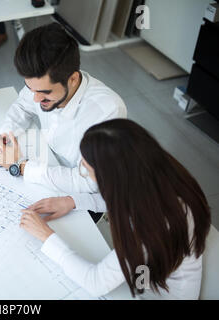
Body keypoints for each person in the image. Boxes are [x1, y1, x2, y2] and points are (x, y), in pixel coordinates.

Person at [20, 119, 211, 299]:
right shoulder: (155, 173)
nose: (84, 173)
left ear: (112, 176)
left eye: (87, 169)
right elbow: (125, 199)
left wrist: (47, 237)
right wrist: (73, 201)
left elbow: (95, 283)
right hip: (144, 275)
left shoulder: (153, 224)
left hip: (153, 292)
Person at [0, 23, 127, 213]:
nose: (35, 98)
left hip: (79, 197)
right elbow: (22, 106)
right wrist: (3, 139)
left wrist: (21, 166)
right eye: (30, 88)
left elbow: (88, 182)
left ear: (73, 79)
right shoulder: (39, 85)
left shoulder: (107, 112)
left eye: (44, 93)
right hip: (46, 166)